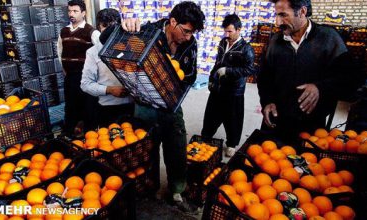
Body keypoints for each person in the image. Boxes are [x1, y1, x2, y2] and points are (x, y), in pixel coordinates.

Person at [120, 1, 205, 213]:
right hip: (146, 102)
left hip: (171, 103)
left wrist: (179, 81)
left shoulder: (189, 43)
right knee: (145, 149)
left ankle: (177, 191)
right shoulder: (148, 32)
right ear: (173, 21)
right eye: (185, 31)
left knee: (177, 146)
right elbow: (107, 40)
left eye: (191, 33)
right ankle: (149, 189)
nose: (188, 37)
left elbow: (191, 75)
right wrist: (123, 26)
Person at [257, 0, 356, 143]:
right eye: (276, 15)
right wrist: (267, 101)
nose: (278, 22)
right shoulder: (275, 42)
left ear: (302, 11)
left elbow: (349, 78)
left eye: (283, 15)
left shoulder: (328, 39)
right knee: (267, 161)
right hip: (277, 121)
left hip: (312, 125)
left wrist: (320, 87)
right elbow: (264, 78)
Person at [201, 14, 255, 157]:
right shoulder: (223, 42)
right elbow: (217, 63)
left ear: (239, 30)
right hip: (218, 88)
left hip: (234, 91)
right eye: (225, 31)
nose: (227, 34)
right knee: (211, 115)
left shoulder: (246, 48)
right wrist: (212, 78)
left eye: (230, 31)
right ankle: (206, 138)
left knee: (233, 119)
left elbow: (249, 69)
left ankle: (231, 144)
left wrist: (229, 71)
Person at [80, 9, 134, 128]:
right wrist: (109, 89)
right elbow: (85, 84)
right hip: (108, 110)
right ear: (99, 27)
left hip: (134, 107)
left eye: (113, 26)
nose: (109, 31)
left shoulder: (130, 47)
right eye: (105, 26)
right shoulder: (93, 52)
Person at [57, 0, 100, 137]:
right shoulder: (63, 31)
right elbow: (60, 51)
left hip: (85, 77)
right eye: (69, 11)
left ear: (83, 13)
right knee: (70, 107)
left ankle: (89, 136)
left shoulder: (91, 32)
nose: (71, 14)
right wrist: (64, 69)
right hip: (70, 77)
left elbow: (101, 52)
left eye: (75, 11)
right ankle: (70, 135)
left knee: (88, 107)